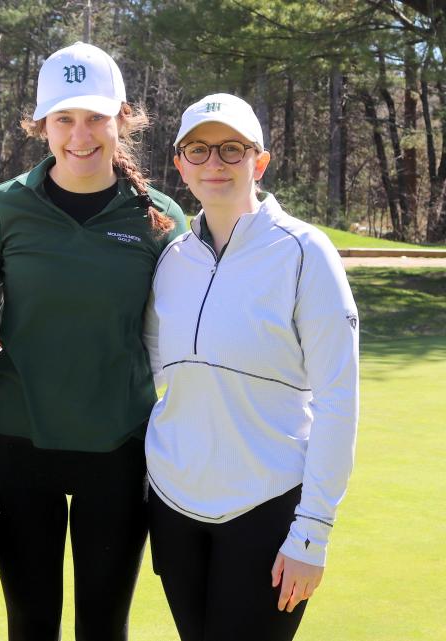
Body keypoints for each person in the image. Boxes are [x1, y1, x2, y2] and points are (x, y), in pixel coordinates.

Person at [0, 42, 188, 641]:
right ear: (42, 126)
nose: (80, 135)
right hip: (19, 441)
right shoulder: (2, 207)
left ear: (122, 119)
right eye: (64, 119)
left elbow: (184, 334)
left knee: (102, 624)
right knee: (30, 620)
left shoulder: (160, 218)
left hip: (118, 446)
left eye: (95, 118)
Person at [144, 93, 359, 641]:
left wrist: (312, 531)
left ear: (258, 162)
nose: (214, 163)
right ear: (179, 164)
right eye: (198, 150)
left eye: (232, 149)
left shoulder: (305, 252)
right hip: (174, 508)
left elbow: (338, 399)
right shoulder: (171, 259)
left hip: (267, 509)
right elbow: (151, 374)